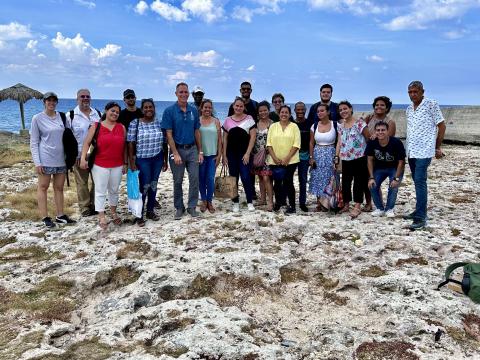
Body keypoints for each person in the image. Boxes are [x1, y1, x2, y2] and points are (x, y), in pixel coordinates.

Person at [404, 81, 446, 230]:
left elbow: (441, 125)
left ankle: (421, 217)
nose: (413, 94)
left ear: (422, 91)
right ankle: (419, 209)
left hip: (424, 151)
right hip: (411, 150)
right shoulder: (409, 109)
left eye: (415, 91)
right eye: (410, 92)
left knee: (420, 181)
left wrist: (437, 146)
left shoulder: (431, 104)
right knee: (416, 181)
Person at [30, 92, 76, 228]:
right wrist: (37, 162)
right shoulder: (37, 118)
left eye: (54, 100)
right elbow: (34, 142)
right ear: (44, 102)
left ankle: (60, 215)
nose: (51, 103)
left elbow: (69, 137)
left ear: (56, 102)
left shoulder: (62, 117)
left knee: (59, 188)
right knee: (43, 187)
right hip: (45, 159)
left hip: (61, 159)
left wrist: (71, 156)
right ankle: (45, 217)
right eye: (48, 100)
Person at [80, 102, 127, 230]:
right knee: (100, 191)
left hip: (117, 164)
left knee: (114, 190)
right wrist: (83, 158)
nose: (115, 114)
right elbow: (87, 143)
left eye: (117, 112)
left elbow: (124, 148)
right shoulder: (96, 126)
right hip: (100, 164)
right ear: (106, 111)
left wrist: (125, 163)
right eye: (112, 111)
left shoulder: (121, 127)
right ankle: (101, 215)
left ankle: (113, 212)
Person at [162, 82, 203, 220]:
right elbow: (168, 134)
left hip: (192, 150)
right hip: (177, 150)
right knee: (177, 180)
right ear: (176, 94)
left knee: (194, 178)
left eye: (186, 92)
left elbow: (197, 131)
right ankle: (179, 207)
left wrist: (200, 151)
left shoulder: (194, 110)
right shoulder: (169, 111)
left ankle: (192, 206)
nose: (184, 94)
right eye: (181, 92)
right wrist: (175, 153)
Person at [127, 99, 168, 226]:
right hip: (142, 159)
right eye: (146, 107)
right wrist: (131, 161)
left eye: (150, 107)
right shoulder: (136, 123)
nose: (148, 109)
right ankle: (139, 214)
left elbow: (164, 142)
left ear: (154, 108)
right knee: (144, 186)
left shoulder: (159, 123)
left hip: (157, 158)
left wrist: (165, 160)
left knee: (154, 184)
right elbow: (130, 143)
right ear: (142, 109)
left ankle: (150, 211)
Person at [69, 88, 101, 217]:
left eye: (87, 96)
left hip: (96, 153)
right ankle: (85, 207)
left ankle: (95, 204)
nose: (85, 99)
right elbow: (68, 139)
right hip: (79, 154)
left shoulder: (97, 114)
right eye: (82, 96)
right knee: (82, 182)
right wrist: (74, 155)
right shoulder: (70, 116)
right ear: (77, 99)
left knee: (97, 181)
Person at [335, 101, 370, 218]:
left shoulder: (360, 123)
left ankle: (357, 206)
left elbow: (368, 138)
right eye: (340, 110)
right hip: (345, 158)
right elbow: (339, 142)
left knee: (359, 182)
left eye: (345, 109)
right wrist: (336, 156)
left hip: (359, 157)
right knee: (345, 182)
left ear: (350, 109)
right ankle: (346, 204)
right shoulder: (341, 125)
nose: (343, 111)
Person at [222, 97, 256, 212]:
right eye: (237, 106)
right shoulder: (227, 120)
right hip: (231, 154)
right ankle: (235, 202)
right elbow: (225, 139)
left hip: (244, 154)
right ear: (233, 106)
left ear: (244, 107)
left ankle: (250, 201)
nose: (238, 108)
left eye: (241, 106)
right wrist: (224, 155)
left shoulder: (249, 119)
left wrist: (247, 153)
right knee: (233, 178)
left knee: (246, 177)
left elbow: (253, 137)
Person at [366, 121, 405, 218]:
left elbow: (401, 162)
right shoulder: (372, 142)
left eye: (383, 130)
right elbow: (369, 160)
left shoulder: (396, 142)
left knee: (393, 186)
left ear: (388, 131)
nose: (380, 132)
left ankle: (389, 209)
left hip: (395, 168)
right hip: (380, 168)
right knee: (372, 185)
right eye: (378, 130)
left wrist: (396, 178)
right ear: (375, 132)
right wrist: (371, 177)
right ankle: (379, 208)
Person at [267, 105, 300, 213]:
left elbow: (296, 144)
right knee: (277, 183)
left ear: (290, 114)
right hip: (274, 160)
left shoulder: (294, 126)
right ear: (279, 113)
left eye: (286, 112)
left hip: (291, 160)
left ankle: (292, 206)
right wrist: (275, 158)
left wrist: (287, 158)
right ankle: (278, 203)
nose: (284, 114)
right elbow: (269, 144)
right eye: (282, 112)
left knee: (288, 182)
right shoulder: (273, 126)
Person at [309, 103, 337, 211]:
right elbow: (311, 143)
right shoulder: (314, 126)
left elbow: (340, 141)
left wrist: (337, 157)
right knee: (317, 178)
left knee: (329, 178)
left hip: (330, 153)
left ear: (328, 112)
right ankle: (319, 203)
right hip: (317, 153)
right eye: (318, 111)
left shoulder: (335, 125)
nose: (320, 113)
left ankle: (328, 203)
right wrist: (311, 157)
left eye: (322, 111)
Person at [198, 99, 222, 213]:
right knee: (201, 179)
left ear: (211, 109)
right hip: (201, 156)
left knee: (210, 179)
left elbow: (220, 140)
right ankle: (204, 201)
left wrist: (219, 155)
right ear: (201, 108)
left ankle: (210, 201)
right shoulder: (197, 121)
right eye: (205, 107)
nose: (207, 109)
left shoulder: (216, 121)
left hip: (212, 156)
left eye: (209, 107)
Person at [251, 101, 273, 211]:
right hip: (257, 155)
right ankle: (263, 199)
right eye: (260, 111)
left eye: (265, 110)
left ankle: (270, 203)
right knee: (260, 177)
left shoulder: (273, 124)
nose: (263, 112)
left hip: (268, 156)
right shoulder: (256, 124)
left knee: (266, 178)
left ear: (269, 110)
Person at [294, 101, 312, 212]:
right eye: (298, 109)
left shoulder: (310, 123)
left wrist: (311, 156)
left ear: (305, 110)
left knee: (303, 179)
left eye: (302, 109)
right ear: (295, 111)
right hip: (291, 155)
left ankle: (302, 202)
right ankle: (289, 201)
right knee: (287, 180)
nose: (300, 111)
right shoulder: (291, 123)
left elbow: (311, 141)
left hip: (304, 156)